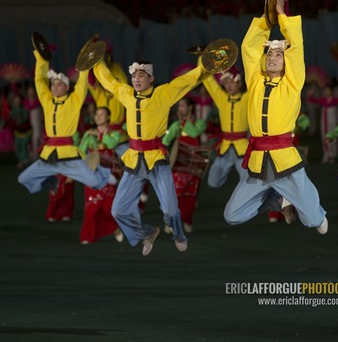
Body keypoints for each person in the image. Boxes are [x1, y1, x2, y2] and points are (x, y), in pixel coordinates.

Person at [224, 0, 328, 233]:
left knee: (314, 222)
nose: (272, 57)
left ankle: (305, 206)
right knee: (232, 215)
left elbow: (296, 49)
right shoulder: (255, 81)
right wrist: (266, 18)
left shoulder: (292, 83)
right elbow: (249, 48)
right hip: (259, 163)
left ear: (285, 61)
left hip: (286, 162)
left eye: (279, 54)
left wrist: (282, 15)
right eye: (269, 53)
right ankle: (277, 201)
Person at [93, 52, 214, 255]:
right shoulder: (126, 93)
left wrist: (206, 66)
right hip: (134, 160)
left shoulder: (163, 94)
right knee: (118, 210)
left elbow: (187, 81)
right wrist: (96, 62)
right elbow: (109, 81)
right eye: (134, 76)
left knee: (170, 208)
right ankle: (146, 233)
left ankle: (179, 235)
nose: (137, 79)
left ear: (151, 78)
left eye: (142, 75)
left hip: (156, 159)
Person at [18, 44, 115, 197]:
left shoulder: (74, 101)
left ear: (66, 87)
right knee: (23, 178)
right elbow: (39, 80)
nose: (55, 87)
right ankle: (51, 181)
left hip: (69, 157)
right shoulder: (47, 101)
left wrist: (85, 61)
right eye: (53, 85)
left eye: (59, 84)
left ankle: (102, 170)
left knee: (96, 183)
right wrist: (41, 57)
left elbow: (82, 82)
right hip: (49, 156)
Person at [78, 107, 124, 244]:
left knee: (107, 208)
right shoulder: (88, 134)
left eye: (102, 114)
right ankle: (87, 236)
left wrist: (98, 135)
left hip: (109, 174)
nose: (98, 117)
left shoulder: (115, 133)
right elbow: (81, 151)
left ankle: (114, 228)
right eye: (96, 114)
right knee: (91, 208)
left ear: (108, 117)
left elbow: (111, 144)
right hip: (93, 172)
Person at [162, 97, 207, 233]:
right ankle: (171, 221)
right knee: (175, 194)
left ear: (190, 107)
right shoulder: (176, 125)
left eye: (182, 106)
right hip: (179, 165)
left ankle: (187, 221)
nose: (179, 109)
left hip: (194, 167)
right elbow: (166, 139)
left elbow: (194, 133)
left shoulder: (199, 123)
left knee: (190, 196)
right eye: (179, 106)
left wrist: (182, 123)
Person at [202, 67, 248, 188]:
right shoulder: (221, 98)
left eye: (231, 81)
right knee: (213, 181)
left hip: (242, 147)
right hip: (225, 147)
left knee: (248, 183)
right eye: (226, 82)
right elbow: (208, 81)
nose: (229, 85)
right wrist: (202, 58)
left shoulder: (247, 98)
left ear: (240, 82)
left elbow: (257, 84)